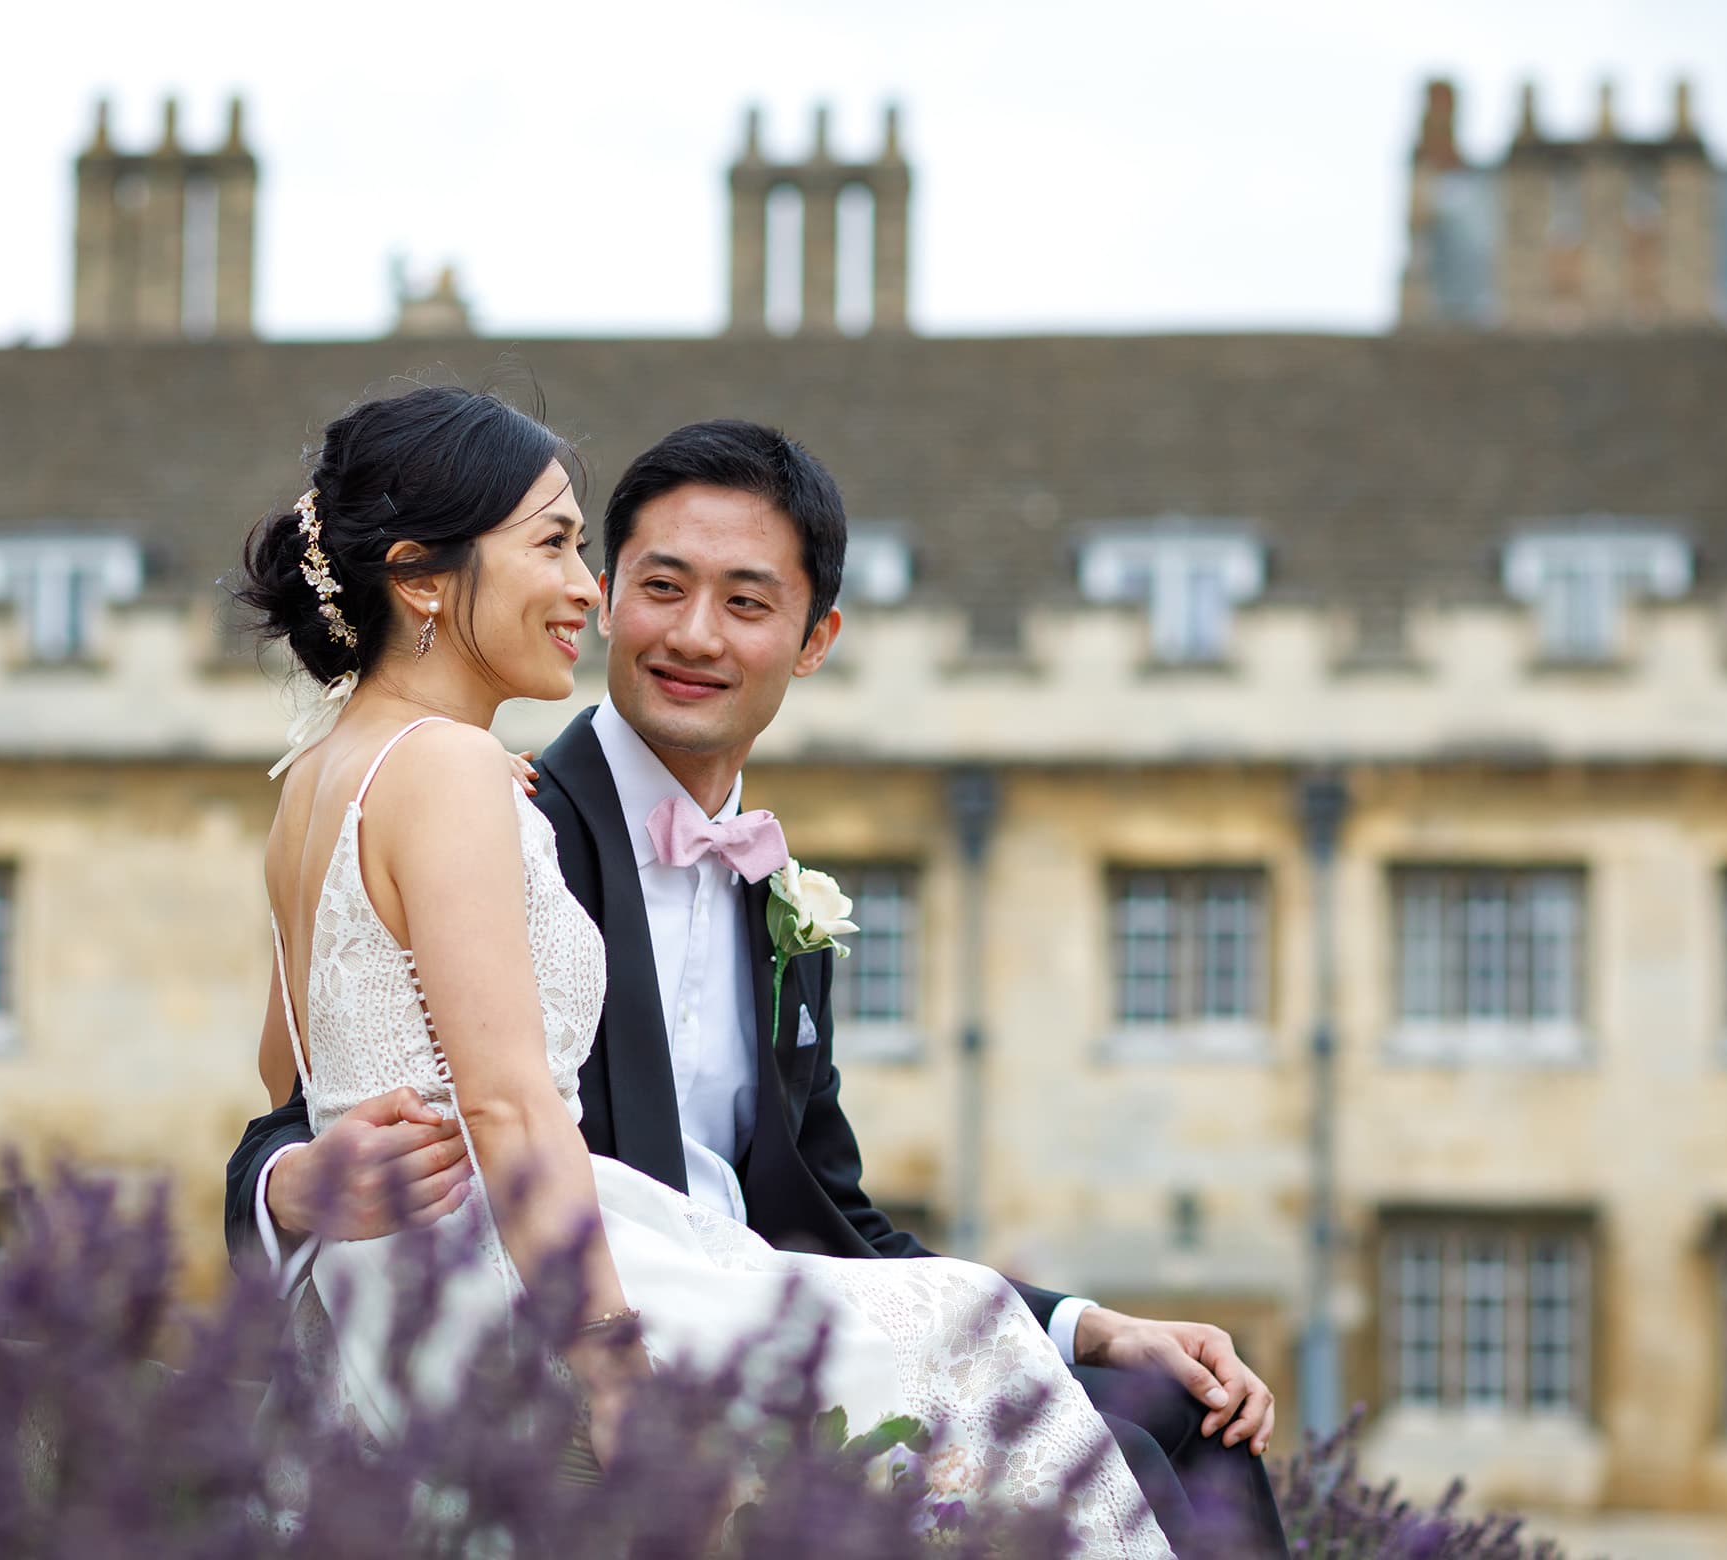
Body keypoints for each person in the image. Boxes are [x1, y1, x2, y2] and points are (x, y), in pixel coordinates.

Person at [231, 385, 1169, 1555]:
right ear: (424, 577)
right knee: (973, 1330)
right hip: (501, 1286)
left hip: (382, 1295)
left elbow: (294, 1067)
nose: (590, 589)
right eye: (559, 546)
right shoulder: (455, 774)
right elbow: (511, 1103)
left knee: (1029, 1360)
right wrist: (616, 1371)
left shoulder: (319, 775)